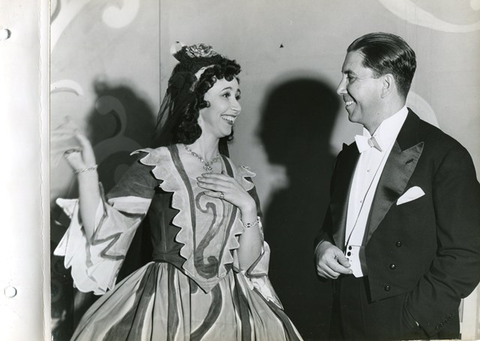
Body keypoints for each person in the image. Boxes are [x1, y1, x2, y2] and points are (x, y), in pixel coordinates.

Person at [54, 43, 303, 340]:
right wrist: (86, 170)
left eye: (237, 96)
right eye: (226, 95)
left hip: (232, 315)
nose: (236, 107)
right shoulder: (157, 164)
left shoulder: (241, 179)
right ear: (197, 101)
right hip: (163, 307)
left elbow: (248, 267)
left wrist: (247, 208)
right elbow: (102, 232)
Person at [314, 32, 480, 340]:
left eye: (350, 77)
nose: (340, 88)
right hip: (344, 311)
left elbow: (467, 254)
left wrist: (413, 321)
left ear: (386, 84)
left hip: (408, 321)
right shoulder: (349, 156)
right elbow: (333, 225)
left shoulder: (446, 155)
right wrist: (323, 246)